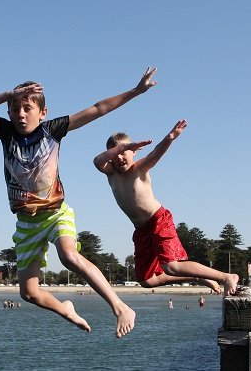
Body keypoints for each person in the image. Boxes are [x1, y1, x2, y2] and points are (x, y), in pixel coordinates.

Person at [0, 67, 159, 337]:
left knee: (69, 255)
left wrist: (136, 91)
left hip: (56, 213)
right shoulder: (6, 132)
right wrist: (8, 94)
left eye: (27, 108)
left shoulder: (53, 130)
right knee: (29, 293)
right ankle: (66, 309)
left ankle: (119, 307)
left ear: (42, 112)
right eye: (15, 109)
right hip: (26, 222)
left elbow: (98, 108)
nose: (21, 114)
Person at [93, 120, 239, 296]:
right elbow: (97, 160)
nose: (119, 158)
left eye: (124, 152)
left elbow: (156, 153)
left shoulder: (139, 168)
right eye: (114, 155)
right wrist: (123, 148)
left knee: (171, 266)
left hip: (158, 220)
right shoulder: (112, 174)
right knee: (147, 280)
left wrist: (170, 138)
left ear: (134, 152)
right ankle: (197, 276)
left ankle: (226, 277)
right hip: (141, 230)